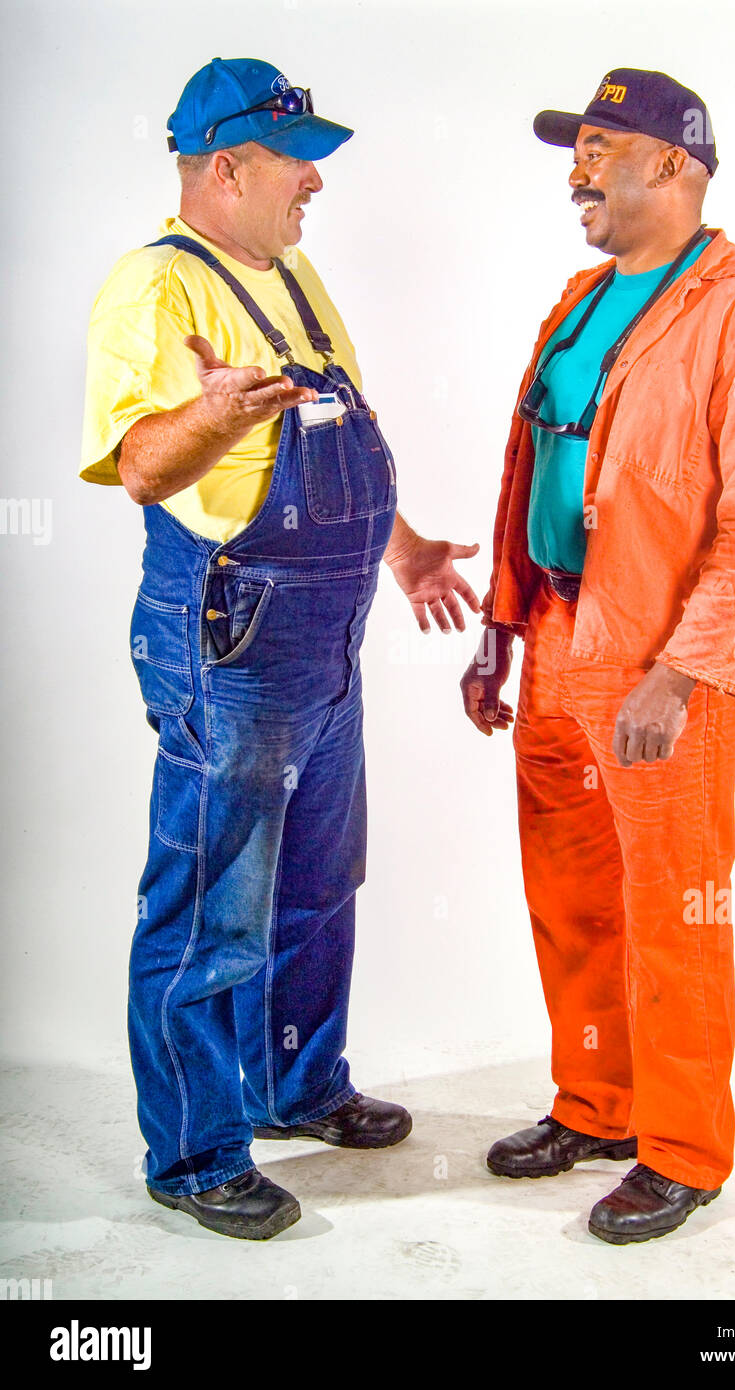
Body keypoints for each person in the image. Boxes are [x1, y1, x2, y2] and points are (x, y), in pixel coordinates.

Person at [81, 56, 480, 1241]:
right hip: (232, 636)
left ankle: (295, 1084)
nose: (315, 182)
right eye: (297, 162)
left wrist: (403, 549)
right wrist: (215, 410)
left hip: (328, 638)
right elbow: (145, 468)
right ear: (226, 166)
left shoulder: (289, 276)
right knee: (212, 902)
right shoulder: (151, 291)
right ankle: (197, 1152)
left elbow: (338, 418)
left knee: (315, 879)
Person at [460, 67, 735, 1244]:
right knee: (572, 898)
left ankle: (681, 1150)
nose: (578, 169)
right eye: (576, 146)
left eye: (600, 146)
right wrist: (499, 631)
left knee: (676, 907)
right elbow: (535, 473)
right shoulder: (578, 298)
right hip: (558, 638)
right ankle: (599, 1103)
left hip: (662, 663)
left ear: (673, 163)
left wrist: (685, 671)